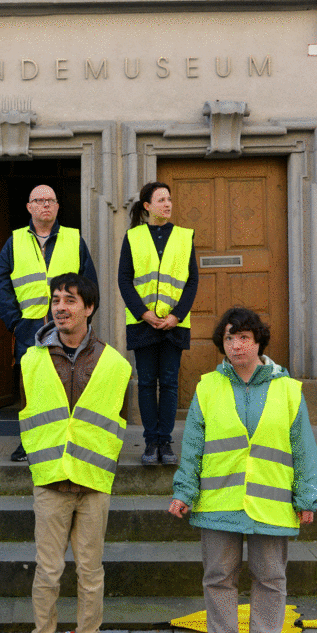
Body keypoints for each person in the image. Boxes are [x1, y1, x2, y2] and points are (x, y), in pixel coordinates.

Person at [169, 307, 317, 633]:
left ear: (258, 343)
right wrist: (184, 492)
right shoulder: (208, 386)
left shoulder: (288, 389)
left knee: (270, 578)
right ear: (222, 344)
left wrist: (306, 496)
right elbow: (193, 447)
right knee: (219, 577)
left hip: (271, 504)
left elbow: (303, 447)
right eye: (229, 339)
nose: (236, 345)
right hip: (219, 502)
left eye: (244, 338)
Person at [19, 272, 131, 633]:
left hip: (94, 480)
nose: (60, 307)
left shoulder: (115, 363)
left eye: (70, 300)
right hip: (50, 479)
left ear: (89, 307)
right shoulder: (31, 360)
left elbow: (119, 420)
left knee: (90, 568)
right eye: (55, 300)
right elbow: (29, 416)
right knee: (47, 569)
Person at [0, 184, 99, 461]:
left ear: (57, 207)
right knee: (31, 384)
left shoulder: (73, 238)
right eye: (39, 201)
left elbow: (89, 282)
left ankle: (67, 440)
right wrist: (13, 322)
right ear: (29, 207)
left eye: (51, 200)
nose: (45, 205)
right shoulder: (14, 241)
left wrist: (83, 320)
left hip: (67, 324)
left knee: (68, 381)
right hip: (28, 324)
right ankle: (29, 442)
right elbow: (2, 283)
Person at [118, 181, 198, 466]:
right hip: (143, 324)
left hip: (174, 324)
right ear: (147, 206)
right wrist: (144, 313)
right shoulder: (133, 237)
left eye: (170, 199)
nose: (168, 204)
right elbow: (124, 280)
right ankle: (151, 442)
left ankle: (166, 441)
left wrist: (176, 315)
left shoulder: (184, 237)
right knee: (146, 383)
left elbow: (191, 282)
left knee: (169, 382)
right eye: (161, 199)